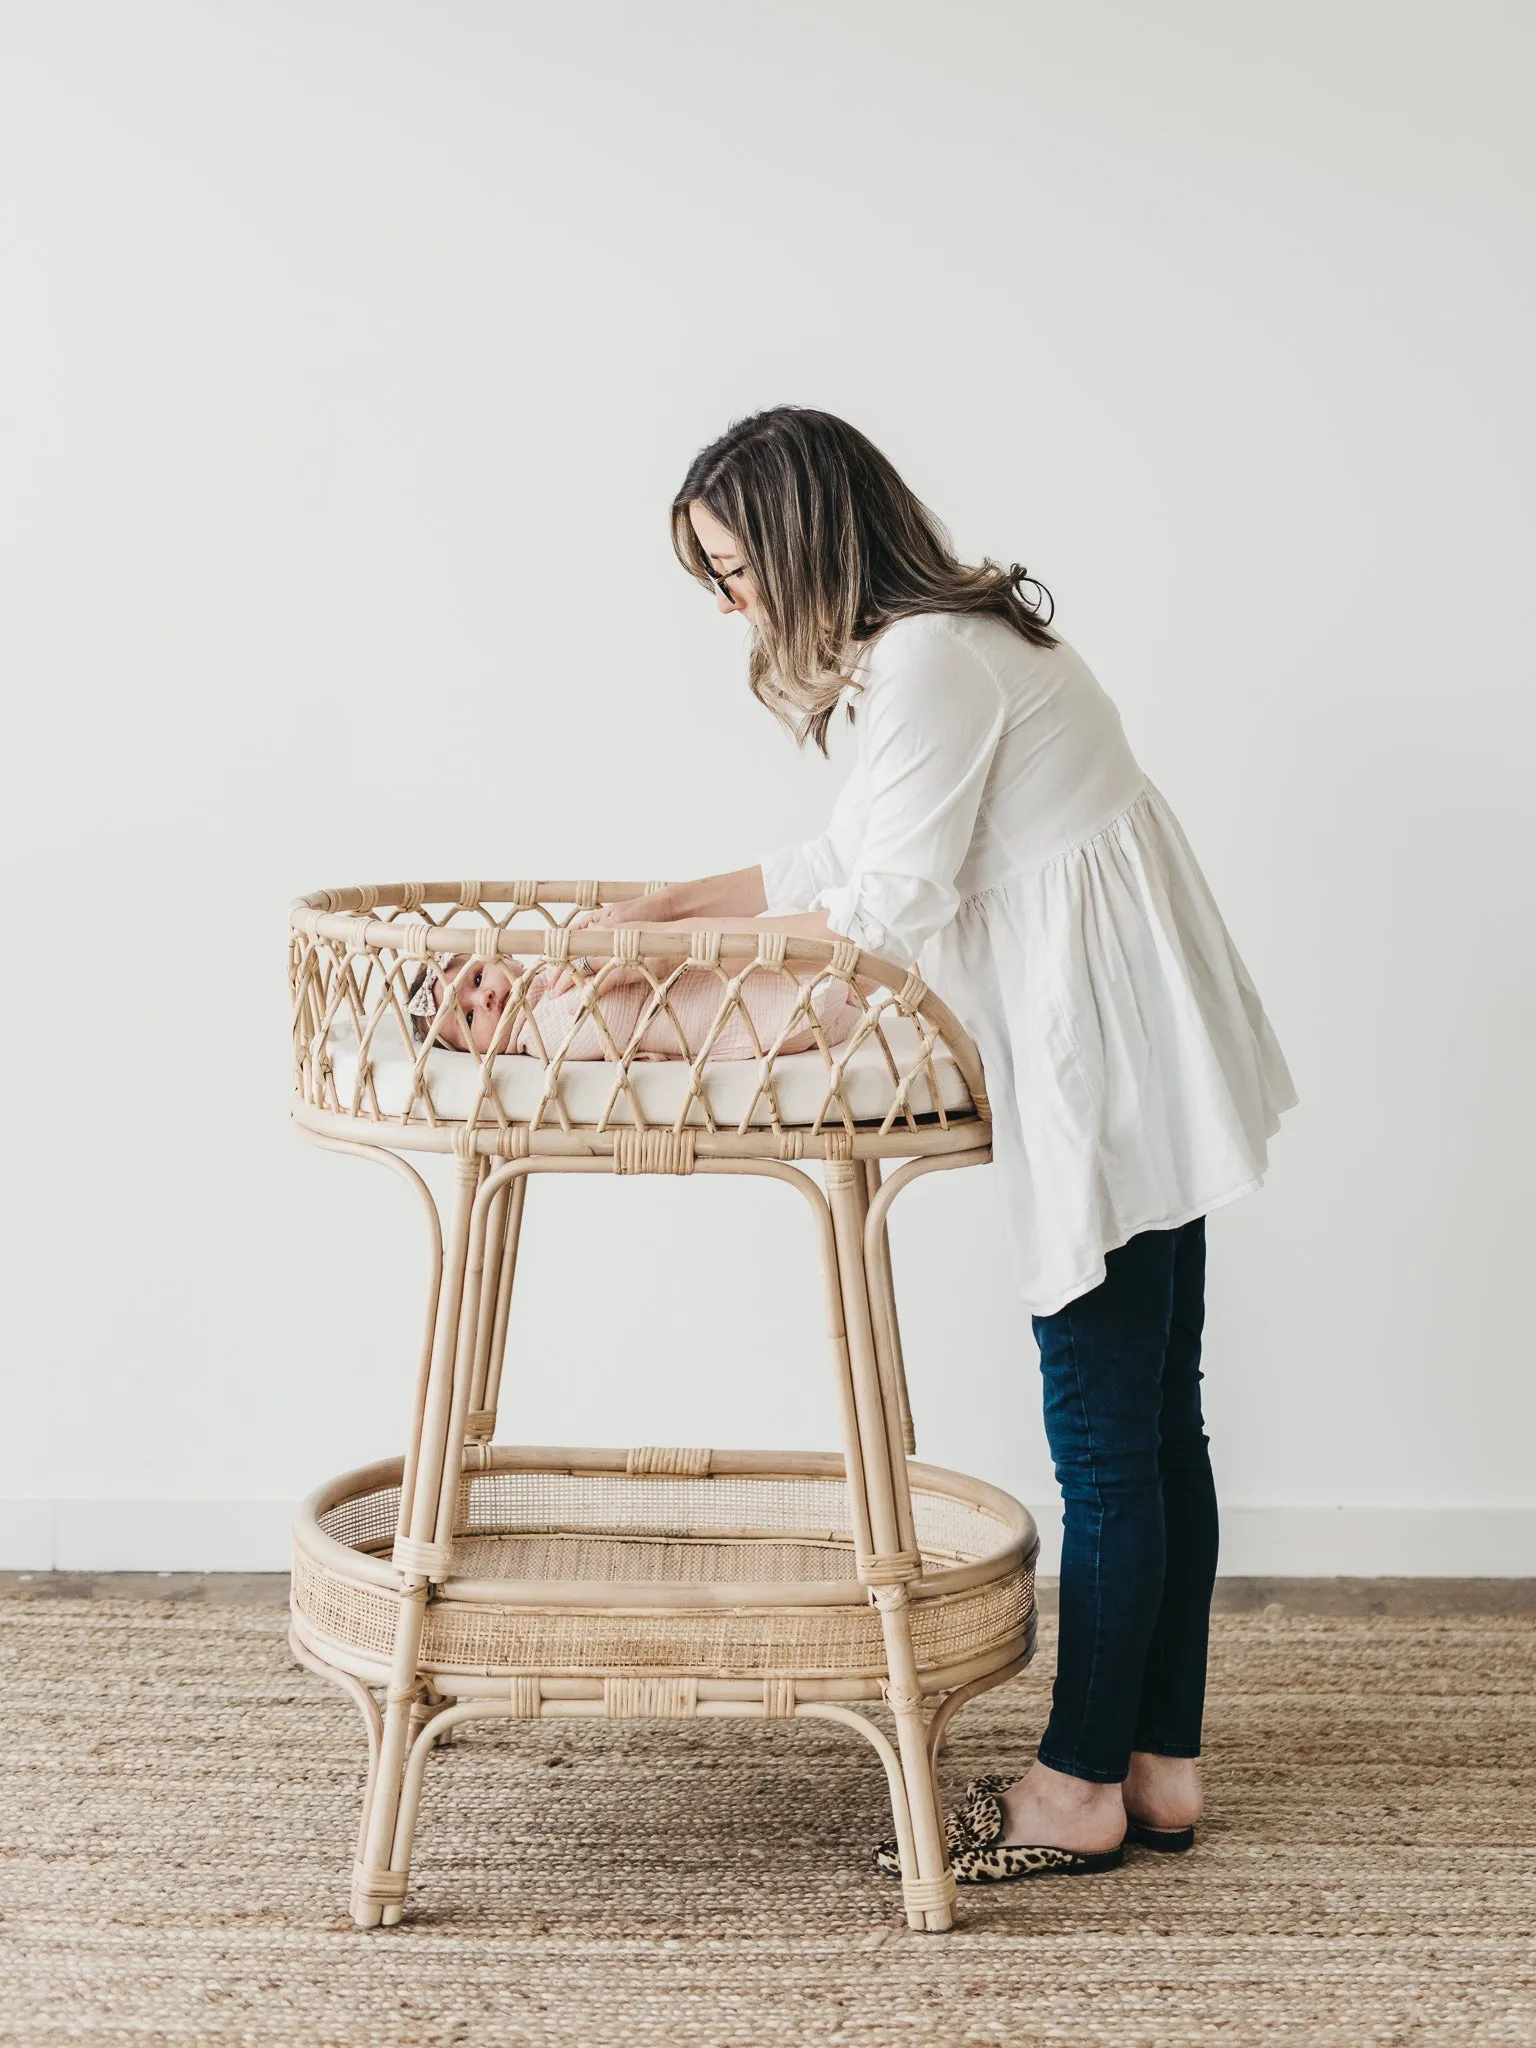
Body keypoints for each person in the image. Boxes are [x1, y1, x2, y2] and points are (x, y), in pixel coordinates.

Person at [579, 405, 1299, 1884]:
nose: (729, 606)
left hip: (1101, 1054)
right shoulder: (954, 645)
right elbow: (845, 860)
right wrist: (671, 909)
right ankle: (1157, 1762)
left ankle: (1077, 1783)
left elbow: (873, 921)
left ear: (795, 542)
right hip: (1143, 1036)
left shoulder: (926, 666)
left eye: (731, 571)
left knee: (1106, 1436)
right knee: (1162, 1415)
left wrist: (660, 1002)